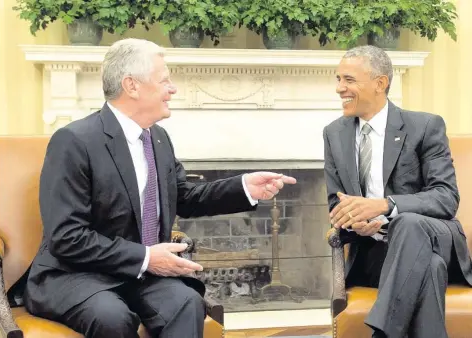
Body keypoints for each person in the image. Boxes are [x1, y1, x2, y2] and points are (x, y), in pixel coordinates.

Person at [23, 38, 296, 338]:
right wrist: (147, 258)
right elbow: (67, 237)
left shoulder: (158, 138)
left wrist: (245, 187)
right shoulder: (74, 141)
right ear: (132, 86)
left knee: (187, 302)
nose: (173, 88)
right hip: (74, 274)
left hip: (137, 274)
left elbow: (186, 197)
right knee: (111, 317)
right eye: (164, 79)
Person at [323, 45, 472, 338]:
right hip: (379, 254)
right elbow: (336, 204)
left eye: (349, 80)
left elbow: (446, 197)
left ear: (380, 83)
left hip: (434, 236)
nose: (340, 88)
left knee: (408, 222)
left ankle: (383, 332)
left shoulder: (424, 126)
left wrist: (385, 206)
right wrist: (357, 224)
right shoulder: (334, 134)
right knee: (429, 267)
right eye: (338, 79)